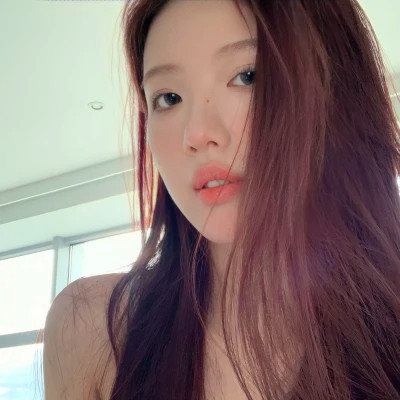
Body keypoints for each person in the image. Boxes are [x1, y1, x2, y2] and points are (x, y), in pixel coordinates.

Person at [42, 0, 400, 399]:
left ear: (339, 93)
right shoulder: (92, 330)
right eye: (169, 98)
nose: (196, 134)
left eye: (247, 76)